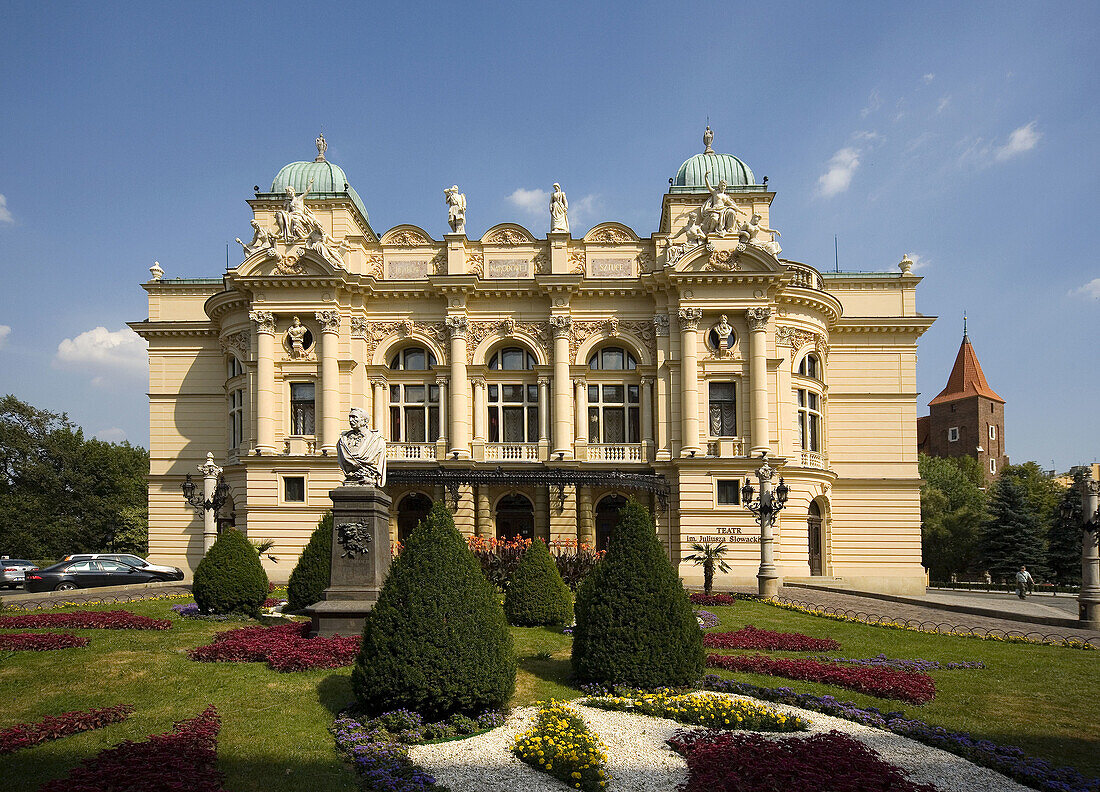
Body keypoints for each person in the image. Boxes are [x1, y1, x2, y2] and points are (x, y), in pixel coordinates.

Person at [336, 408, 387, 487]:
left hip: (368, 477)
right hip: (350, 478)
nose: (350, 420)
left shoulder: (377, 441)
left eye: (354, 417)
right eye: (350, 417)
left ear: (365, 421)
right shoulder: (343, 441)